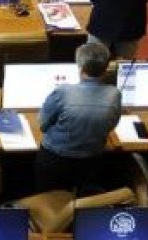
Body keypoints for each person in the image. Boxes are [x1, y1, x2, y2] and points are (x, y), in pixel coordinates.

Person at [35, 41, 121, 193]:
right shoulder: (114, 94)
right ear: (106, 68)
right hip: (92, 162)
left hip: (55, 161)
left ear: (80, 68)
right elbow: (111, 125)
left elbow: (42, 124)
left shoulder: (63, 92)